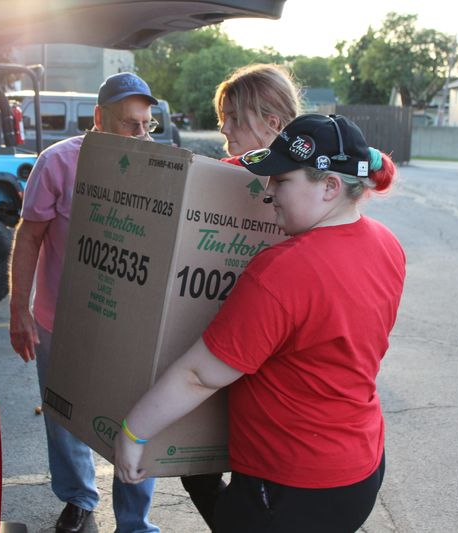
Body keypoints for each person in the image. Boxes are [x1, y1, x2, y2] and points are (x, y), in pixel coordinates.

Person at [114, 114, 405, 533]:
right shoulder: (385, 243)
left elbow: (199, 375)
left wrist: (133, 431)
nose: (268, 192)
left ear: (329, 186)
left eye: (282, 181)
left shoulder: (284, 270)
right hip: (359, 468)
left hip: (292, 487)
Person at [9, 72, 161, 533]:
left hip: (127, 325)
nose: (140, 135)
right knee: (63, 416)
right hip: (60, 318)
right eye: (128, 125)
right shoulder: (57, 162)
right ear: (99, 119)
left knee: (135, 421)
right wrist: (19, 308)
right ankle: (78, 498)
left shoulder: (158, 166)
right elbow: (30, 235)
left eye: (146, 125)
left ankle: (134, 521)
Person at [179, 62, 302, 531]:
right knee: (198, 470)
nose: (222, 127)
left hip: (277, 374)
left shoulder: (314, 186)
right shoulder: (226, 175)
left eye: (233, 116)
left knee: (258, 486)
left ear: (271, 122)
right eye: (222, 115)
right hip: (220, 351)